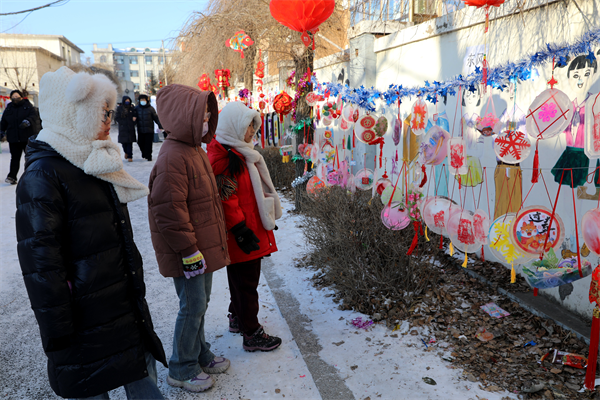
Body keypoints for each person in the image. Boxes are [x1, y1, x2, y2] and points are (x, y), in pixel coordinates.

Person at [15, 66, 167, 400]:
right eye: (103, 113)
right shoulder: (43, 175)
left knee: (142, 378)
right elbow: (42, 266)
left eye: (110, 112)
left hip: (119, 307)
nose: (109, 121)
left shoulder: (94, 159)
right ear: (74, 114)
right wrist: (59, 331)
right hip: (82, 321)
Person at [148, 84, 230, 393]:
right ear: (186, 117)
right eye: (202, 114)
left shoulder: (192, 149)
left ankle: (199, 353)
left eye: (209, 114)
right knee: (192, 305)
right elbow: (168, 211)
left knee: (201, 302)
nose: (208, 119)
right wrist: (189, 250)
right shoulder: (173, 157)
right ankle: (181, 367)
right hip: (189, 251)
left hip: (200, 248)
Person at [207, 101, 282, 352]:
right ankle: (252, 333)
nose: (253, 132)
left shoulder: (238, 152)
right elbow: (227, 198)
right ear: (235, 126)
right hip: (242, 232)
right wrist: (240, 229)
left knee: (240, 279)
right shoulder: (225, 158)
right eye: (249, 127)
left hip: (247, 227)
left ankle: (237, 317)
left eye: (254, 127)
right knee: (247, 283)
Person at [0, 90, 40, 184]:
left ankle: (31, 176)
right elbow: (3, 122)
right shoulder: (9, 108)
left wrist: (27, 122)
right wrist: (1, 131)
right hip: (13, 138)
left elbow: (34, 116)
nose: (15, 98)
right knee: (14, 158)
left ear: (21, 97)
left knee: (29, 157)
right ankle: (12, 177)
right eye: (13, 97)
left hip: (26, 137)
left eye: (17, 96)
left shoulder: (28, 106)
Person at [136, 94, 162, 161]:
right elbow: (132, 117)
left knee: (148, 144)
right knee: (140, 143)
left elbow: (156, 118)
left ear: (147, 100)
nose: (143, 101)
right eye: (141, 100)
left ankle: (149, 156)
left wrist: (160, 125)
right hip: (140, 130)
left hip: (149, 129)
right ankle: (144, 153)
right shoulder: (136, 108)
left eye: (144, 100)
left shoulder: (150, 108)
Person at [115, 95, 137, 162]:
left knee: (130, 143)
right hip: (123, 128)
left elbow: (135, 116)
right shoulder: (119, 108)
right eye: (126, 100)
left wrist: (134, 121)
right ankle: (126, 152)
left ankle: (130, 156)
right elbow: (116, 117)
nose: (127, 102)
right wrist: (122, 122)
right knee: (123, 142)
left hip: (130, 128)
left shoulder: (132, 108)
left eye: (128, 100)